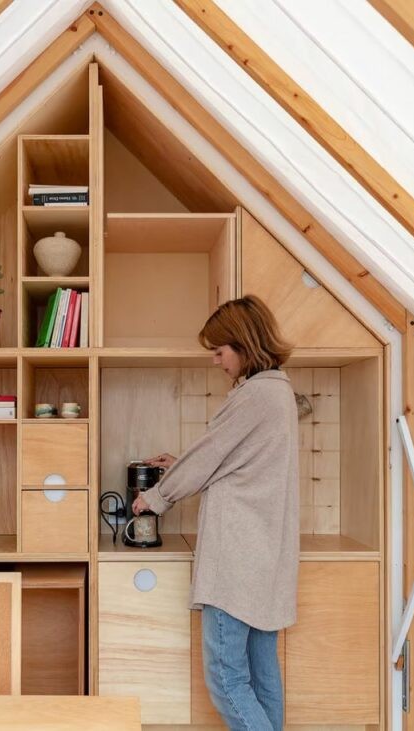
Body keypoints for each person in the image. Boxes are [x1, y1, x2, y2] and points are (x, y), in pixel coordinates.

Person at [133, 295, 299, 731]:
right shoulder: (277, 391)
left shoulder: (255, 395)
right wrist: (183, 464)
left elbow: (211, 454)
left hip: (237, 559)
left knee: (225, 678)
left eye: (219, 351)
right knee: (262, 675)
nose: (215, 361)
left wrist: (153, 498)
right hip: (264, 556)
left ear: (243, 345)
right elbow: (233, 459)